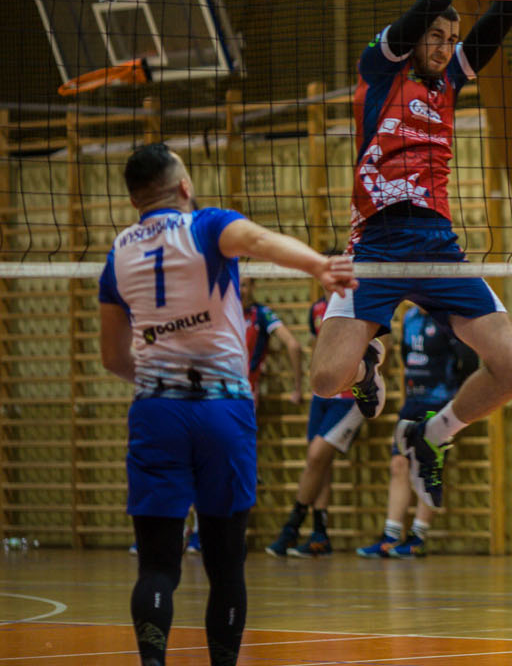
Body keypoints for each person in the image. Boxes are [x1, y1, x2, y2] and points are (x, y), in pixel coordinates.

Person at [309, 0, 512, 511]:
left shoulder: (449, 80)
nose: (445, 46)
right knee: (324, 379)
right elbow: (432, 0)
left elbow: (500, 20)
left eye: (451, 40)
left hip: (436, 245)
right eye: (437, 36)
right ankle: (367, 364)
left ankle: (433, 434)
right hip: (375, 246)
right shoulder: (382, 65)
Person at [97, 143, 355, 666]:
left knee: (157, 566)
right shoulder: (207, 225)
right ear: (184, 187)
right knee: (226, 566)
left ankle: (152, 662)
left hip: (157, 411)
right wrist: (319, 266)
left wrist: (159, 380)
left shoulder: (117, 255)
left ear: (134, 200)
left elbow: (112, 357)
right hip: (223, 411)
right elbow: (258, 240)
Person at [358, 305, 477, 559]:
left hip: (439, 403)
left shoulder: (447, 317)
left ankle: (418, 537)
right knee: (398, 464)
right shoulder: (409, 317)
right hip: (412, 403)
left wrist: (459, 404)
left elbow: (469, 361)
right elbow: (405, 357)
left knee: (428, 466)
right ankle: (391, 536)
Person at [264, 295, 374, 558]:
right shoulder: (318, 308)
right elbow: (318, 347)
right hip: (323, 396)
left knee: (315, 456)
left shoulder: (365, 302)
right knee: (319, 463)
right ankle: (319, 535)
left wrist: (368, 388)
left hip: (349, 399)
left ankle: (292, 527)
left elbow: (385, 348)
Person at [242, 277, 302, 408]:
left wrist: (297, 388)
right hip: (222, 384)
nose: (240, 290)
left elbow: (293, 345)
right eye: (237, 285)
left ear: (253, 286)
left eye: (244, 285)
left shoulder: (261, 313)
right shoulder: (227, 312)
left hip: (247, 387)